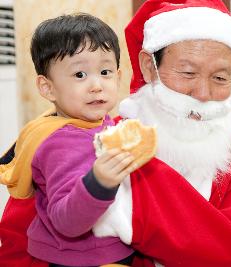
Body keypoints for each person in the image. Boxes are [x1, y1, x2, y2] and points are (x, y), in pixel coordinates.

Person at [0, 1, 231, 267]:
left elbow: (226, 252)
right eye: (188, 72)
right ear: (148, 67)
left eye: (221, 78)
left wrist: (131, 191)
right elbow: (18, 240)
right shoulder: (94, 137)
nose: (203, 94)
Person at [0, 13, 138, 266]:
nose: (97, 85)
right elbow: (68, 222)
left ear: (118, 77)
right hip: (84, 259)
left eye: (105, 71)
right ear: (48, 88)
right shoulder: (60, 144)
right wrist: (100, 182)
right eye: (80, 75)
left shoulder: (101, 123)